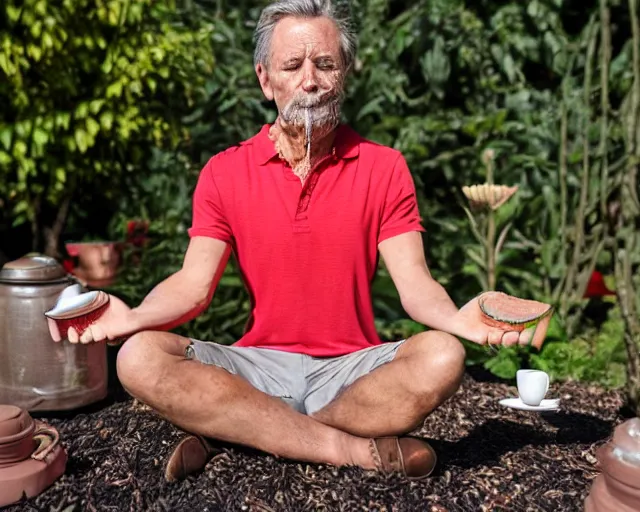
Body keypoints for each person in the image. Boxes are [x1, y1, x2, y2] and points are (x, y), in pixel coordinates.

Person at [48, 0, 535, 481]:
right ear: (265, 79)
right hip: (255, 368)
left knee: (444, 355)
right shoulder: (224, 172)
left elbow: (414, 284)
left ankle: (241, 431)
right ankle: (350, 449)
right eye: (293, 65)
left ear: (344, 72)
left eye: (325, 64)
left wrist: (455, 319)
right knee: (138, 356)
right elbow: (192, 286)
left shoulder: (385, 167)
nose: (310, 81)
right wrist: (131, 317)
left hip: (352, 374)